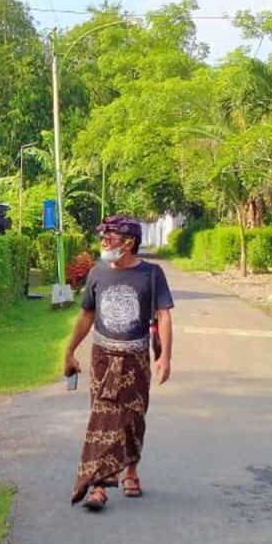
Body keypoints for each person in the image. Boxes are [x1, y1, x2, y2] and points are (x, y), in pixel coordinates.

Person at [64, 215, 174, 511]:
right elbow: (86, 315)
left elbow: (163, 314)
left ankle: (131, 471)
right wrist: (70, 350)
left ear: (129, 243)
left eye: (110, 238)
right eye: (103, 238)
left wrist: (165, 357)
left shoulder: (152, 274)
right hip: (102, 358)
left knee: (132, 419)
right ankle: (98, 487)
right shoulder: (97, 273)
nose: (104, 243)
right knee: (102, 419)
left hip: (136, 359)